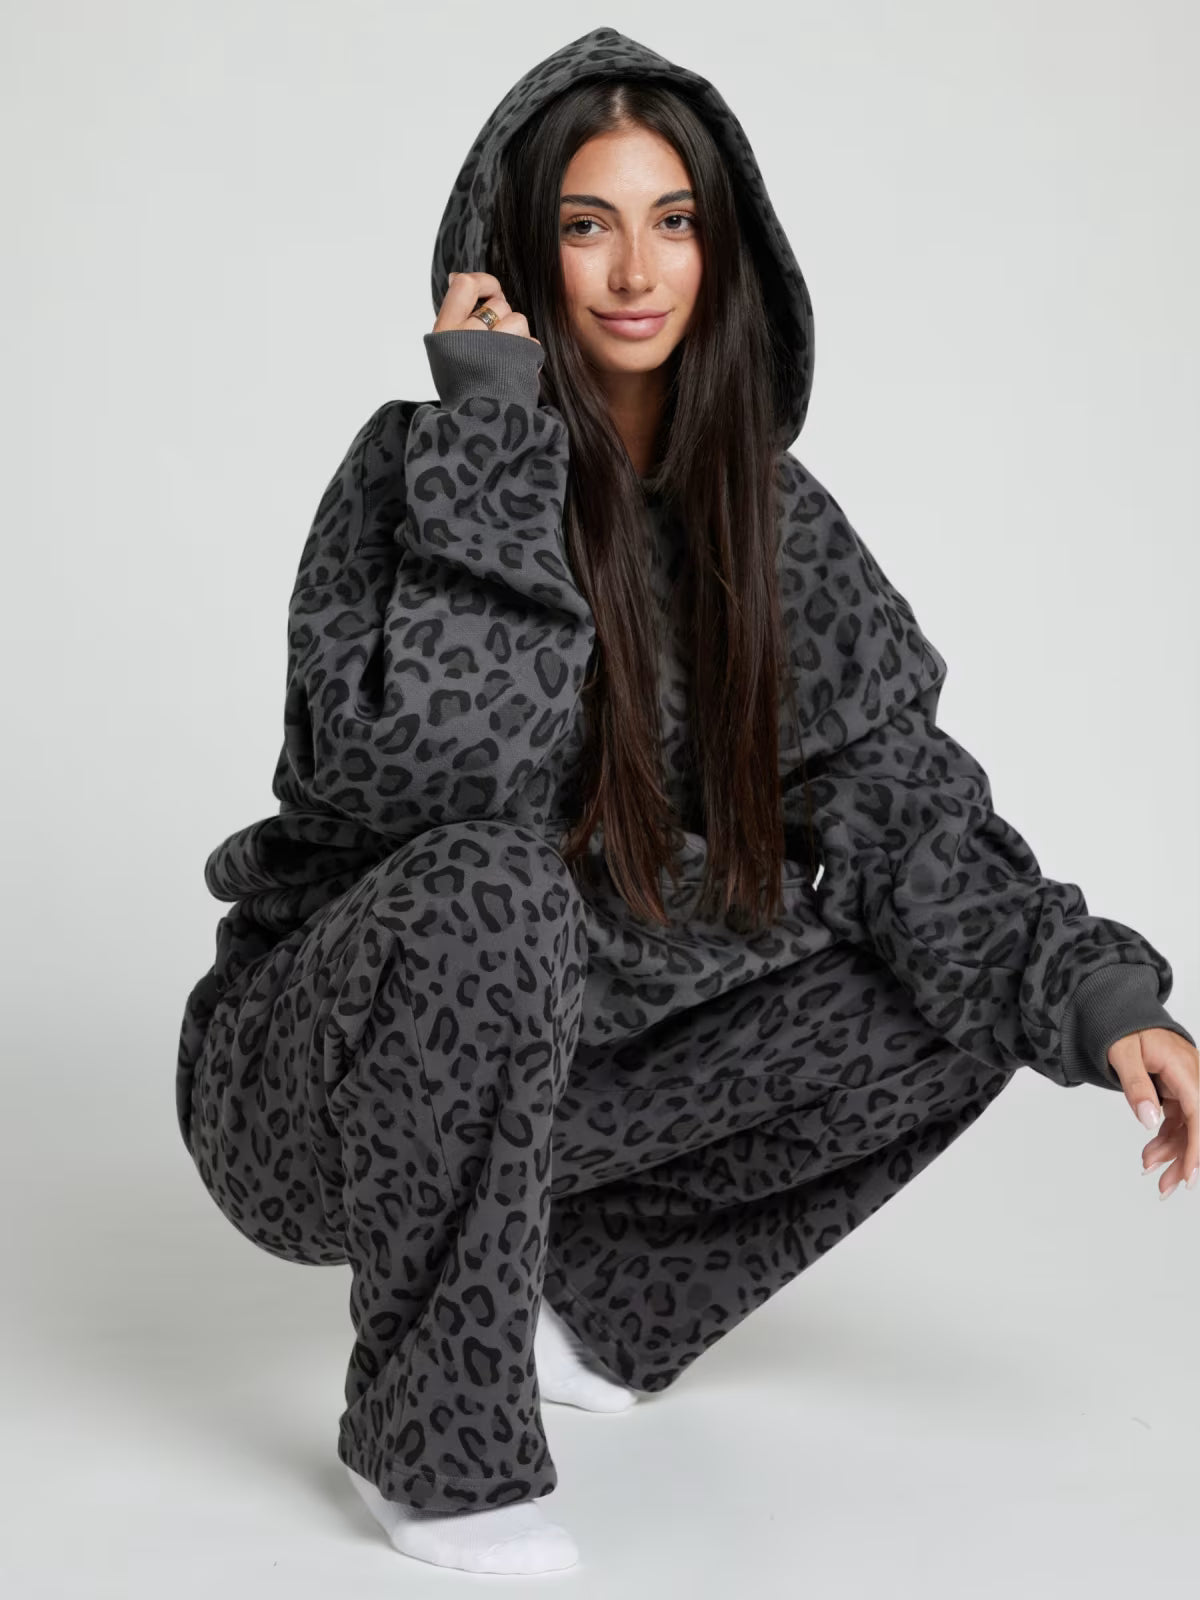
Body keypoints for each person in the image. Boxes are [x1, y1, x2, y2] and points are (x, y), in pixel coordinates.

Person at [174, 23, 1198, 1579]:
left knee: (955, 985)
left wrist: (1107, 1001)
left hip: (563, 1075)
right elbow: (428, 786)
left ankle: (590, 1306)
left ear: (728, 253)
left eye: (674, 222)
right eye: (587, 224)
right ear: (518, 253)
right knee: (492, 885)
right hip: (312, 1091)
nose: (635, 270)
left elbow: (907, 810)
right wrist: (494, 441)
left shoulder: (770, 520)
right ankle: (432, 1441)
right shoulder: (417, 469)